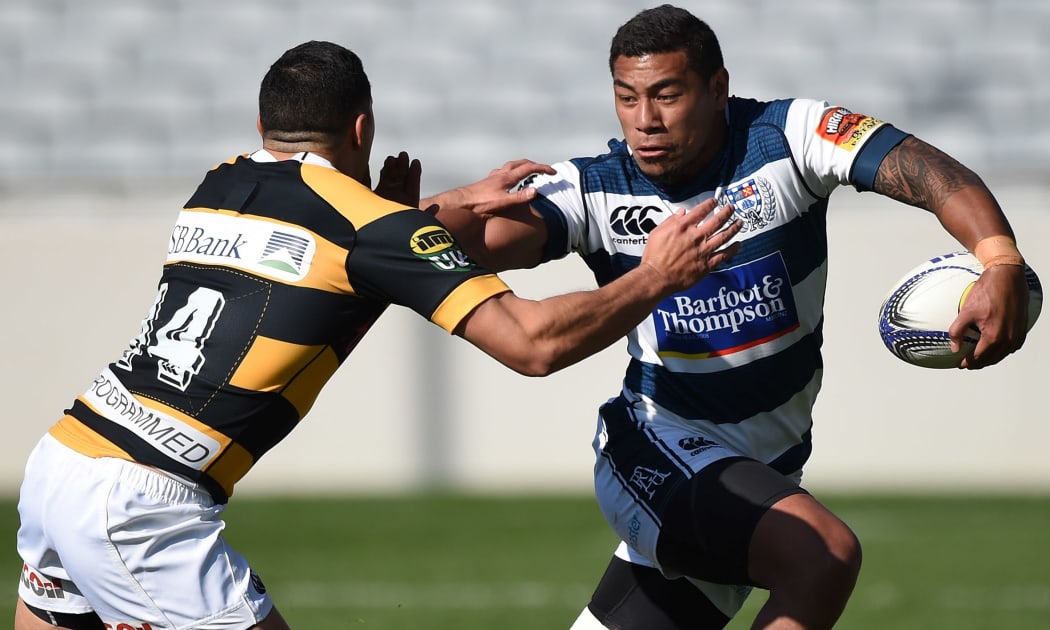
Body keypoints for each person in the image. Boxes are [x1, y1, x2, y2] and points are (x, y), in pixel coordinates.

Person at [13, 40, 743, 630]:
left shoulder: (221, 182)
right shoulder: (371, 229)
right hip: (140, 499)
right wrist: (654, 278)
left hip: (62, 459)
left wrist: (437, 208)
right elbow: (534, 343)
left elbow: (322, 247)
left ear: (263, 126)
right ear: (362, 128)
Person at [426, 5, 1032, 629]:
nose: (645, 121)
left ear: (717, 89)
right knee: (820, 557)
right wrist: (444, 203)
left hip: (764, 467)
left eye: (666, 94)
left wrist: (999, 260)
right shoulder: (593, 188)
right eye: (626, 98)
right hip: (655, 446)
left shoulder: (789, 136)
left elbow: (931, 170)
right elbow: (432, 243)